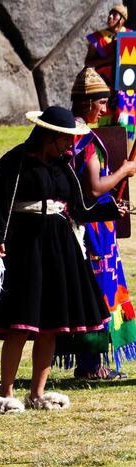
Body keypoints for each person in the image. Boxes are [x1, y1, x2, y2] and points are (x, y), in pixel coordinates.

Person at [0, 106, 119, 414]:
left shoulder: (64, 166)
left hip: (59, 249)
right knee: (20, 325)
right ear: (49, 135)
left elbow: (79, 209)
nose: (70, 144)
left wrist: (112, 210)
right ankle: (6, 393)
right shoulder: (16, 161)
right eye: (65, 138)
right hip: (25, 247)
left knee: (51, 325)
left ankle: (37, 392)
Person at [56, 68, 136, 379]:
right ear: (88, 103)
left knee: (80, 290)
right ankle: (90, 366)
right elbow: (94, 188)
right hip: (92, 228)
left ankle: (89, 363)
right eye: (101, 103)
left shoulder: (61, 135)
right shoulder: (85, 139)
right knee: (97, 291)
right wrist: (126, 170)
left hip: (70, 224)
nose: (105, 110)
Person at [84, 4, 129, 113]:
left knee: (124, 115)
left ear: (122, 19)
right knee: (106, 115)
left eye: (115, 14)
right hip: (104, 83)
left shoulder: (130, 36)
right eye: (110, 13)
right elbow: (88, 62)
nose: (110, 17)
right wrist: (108, 60)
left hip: (125, 86)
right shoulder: (97, 38)